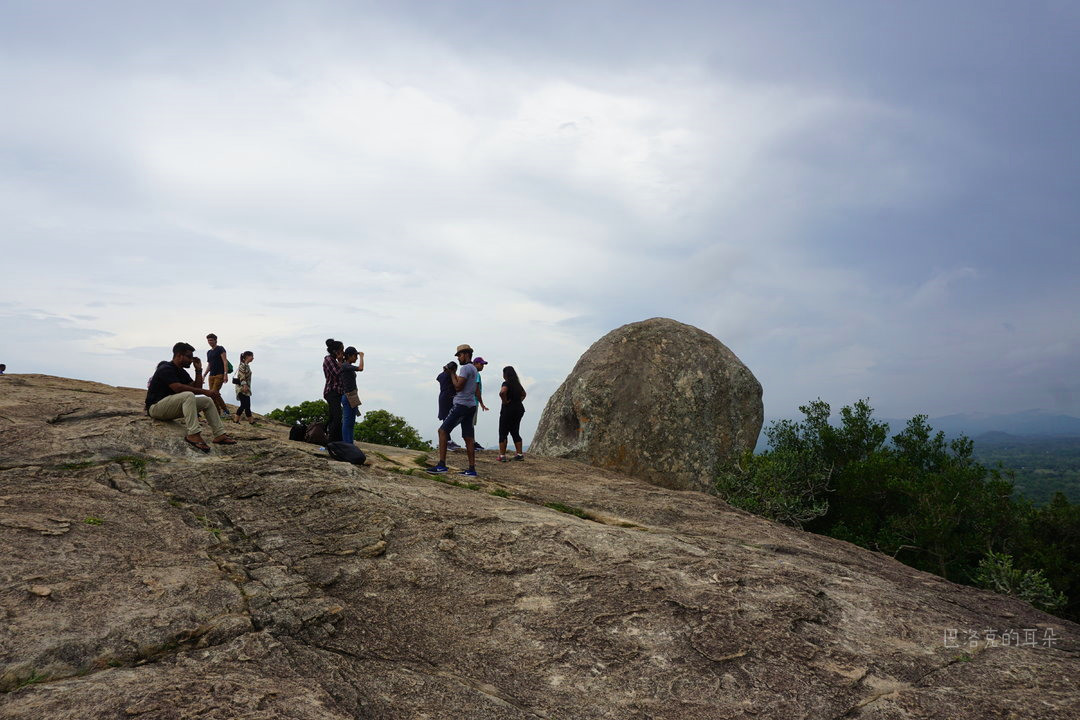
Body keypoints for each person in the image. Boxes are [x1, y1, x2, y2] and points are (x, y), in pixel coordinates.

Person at [145, 342, 237, 452]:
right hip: (156, 408)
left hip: (170, 407)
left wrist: (198, 370)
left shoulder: (181, 372)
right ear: (179, 355)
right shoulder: (166, 368)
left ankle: (220, 435)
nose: (191, 360)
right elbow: (178, 388)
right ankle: (193, 434)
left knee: (206, 401)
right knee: (187, 395)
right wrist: (205, 391)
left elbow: (196, 388)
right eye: (189, 357)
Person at [427, 344, 480, 477]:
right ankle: (471, 469)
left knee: (442, 431)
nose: (458, 358)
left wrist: (451, 374)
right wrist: (454, 374)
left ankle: (441, 465)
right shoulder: (473, 369)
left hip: (461, 405)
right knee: (468, 437)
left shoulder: (465, 368)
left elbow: (457, 387)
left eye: (459, 355)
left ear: (466, 354)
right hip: (471, 405)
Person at [497, 366, 527, 462]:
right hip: (519, 409)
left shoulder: (506, 383)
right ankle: (519, 454)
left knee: (503, 432)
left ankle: (502, 456)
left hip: (508, 410)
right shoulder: (517, 384)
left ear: (505, 374)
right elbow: (524, 394)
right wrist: (518, 401)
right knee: (515, 431)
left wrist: (505, 402)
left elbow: (502, 392)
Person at [340, 346, 365, 444]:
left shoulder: (346, 365)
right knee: (347, 422)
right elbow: (360, 368)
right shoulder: (345, 365)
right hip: (348, 396)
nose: (357, 358)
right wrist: (362, 356)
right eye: (355, 356)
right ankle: (347, 444)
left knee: (351, 422)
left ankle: (349, 443)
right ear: (349, 356)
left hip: (352, 396)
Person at [323, 338, 345, 443]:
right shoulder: (328, 359)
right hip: (331, 392)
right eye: (342, 350)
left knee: (333, 416)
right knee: (337, 417)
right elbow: (336, 373)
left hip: (337, 392)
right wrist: (340, 361)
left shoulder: (334, 360)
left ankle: (326, 436)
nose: (343, 352)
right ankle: (332, 441)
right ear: (336, 351)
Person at [436, 362, 462, 450]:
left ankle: (448, 440)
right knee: (448, 419)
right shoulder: (450, 376)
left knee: (445, 418)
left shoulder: (441, 375)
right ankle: (448, 441)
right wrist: (453, 374)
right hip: (449, 398)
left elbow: (438, 378)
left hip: (443, 397)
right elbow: (458, 382)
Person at [205, 333, 231, 418]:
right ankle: (217, 413)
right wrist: (204, 375)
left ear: (216, 340)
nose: (210, 342)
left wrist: (225, 374)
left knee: (214, 392)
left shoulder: (220, 348)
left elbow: (225, 361)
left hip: (219, 374)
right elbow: (209, 365)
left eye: (211, 340)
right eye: (208, 340)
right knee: (212, 394)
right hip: (211, 375)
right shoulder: (208, 352)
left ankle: (224, 410)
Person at [472, 357, 491, 450]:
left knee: (469, 423)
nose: (483, 366)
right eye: (481, 364)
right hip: (473, 401)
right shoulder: (476, 374)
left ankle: (472, 442)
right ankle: (472, 443)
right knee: (471, 423)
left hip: (468, 401)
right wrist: (482, 403)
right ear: (475, 363)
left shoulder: (470, 372)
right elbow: (477, 390)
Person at [232, 351, 255, 424]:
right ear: (247, 357)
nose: (253, 358)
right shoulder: (242, 365)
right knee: (244, 405)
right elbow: (242, 376)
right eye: (252, 356)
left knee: (247, 405)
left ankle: (250, 421)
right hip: (242, 388)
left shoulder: (246, 365)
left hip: (246, 388)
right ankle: (236, 419)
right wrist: (244, 385)